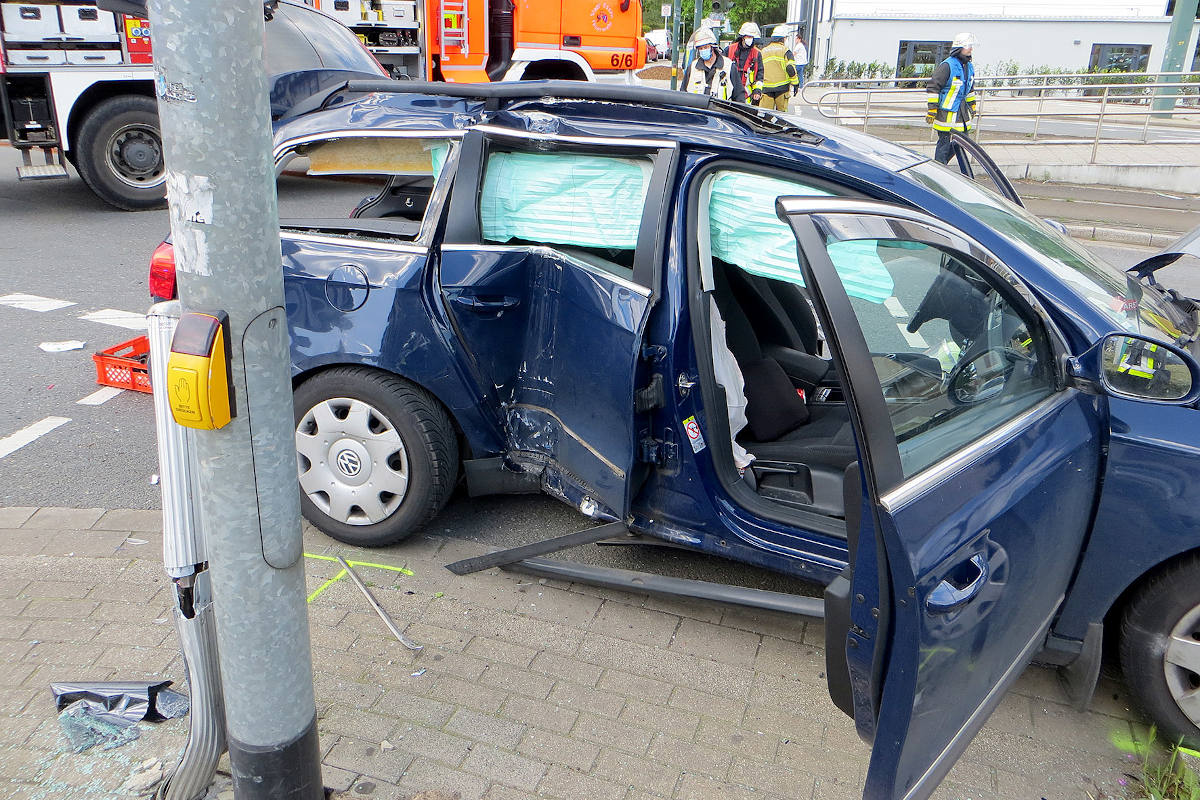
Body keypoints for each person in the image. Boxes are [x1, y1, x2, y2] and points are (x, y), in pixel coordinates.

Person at [925, 31, 979, 164]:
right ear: (959, 48)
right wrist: (932, 109)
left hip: (962, 112)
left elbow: (969, 88)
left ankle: (940, 164)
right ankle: (939, 166)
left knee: (963, 141)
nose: (971, 49)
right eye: (968, 46)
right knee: (943, 144)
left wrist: (972, 105)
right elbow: (933, 87)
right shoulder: (947, 65)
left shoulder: (968, 66)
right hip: (946, 113)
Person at [681, 27, 745, 102]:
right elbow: (683, 94)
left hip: (721, 109)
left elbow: (739, 95)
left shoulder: (728, 66)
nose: (703, 50)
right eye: (700, 48)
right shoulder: (692, 68)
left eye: (706, 47)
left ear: (712, 47)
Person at [759, 27, 799, 112]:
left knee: (765, 115)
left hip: (766, 88)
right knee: (781, 115)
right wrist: (795, 84)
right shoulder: (786, 51)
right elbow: (790, 68)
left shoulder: (763, 51)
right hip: (782, 88)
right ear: (783, 38)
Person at [726, 22, 764, 105]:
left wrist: (757, 91)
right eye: (748, 36)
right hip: (728, 94)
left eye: (752, 37)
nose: (750, 39)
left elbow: (760, 75)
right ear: (742, 37)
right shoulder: (729, 49)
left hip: (746, 97)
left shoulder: (757, 54)